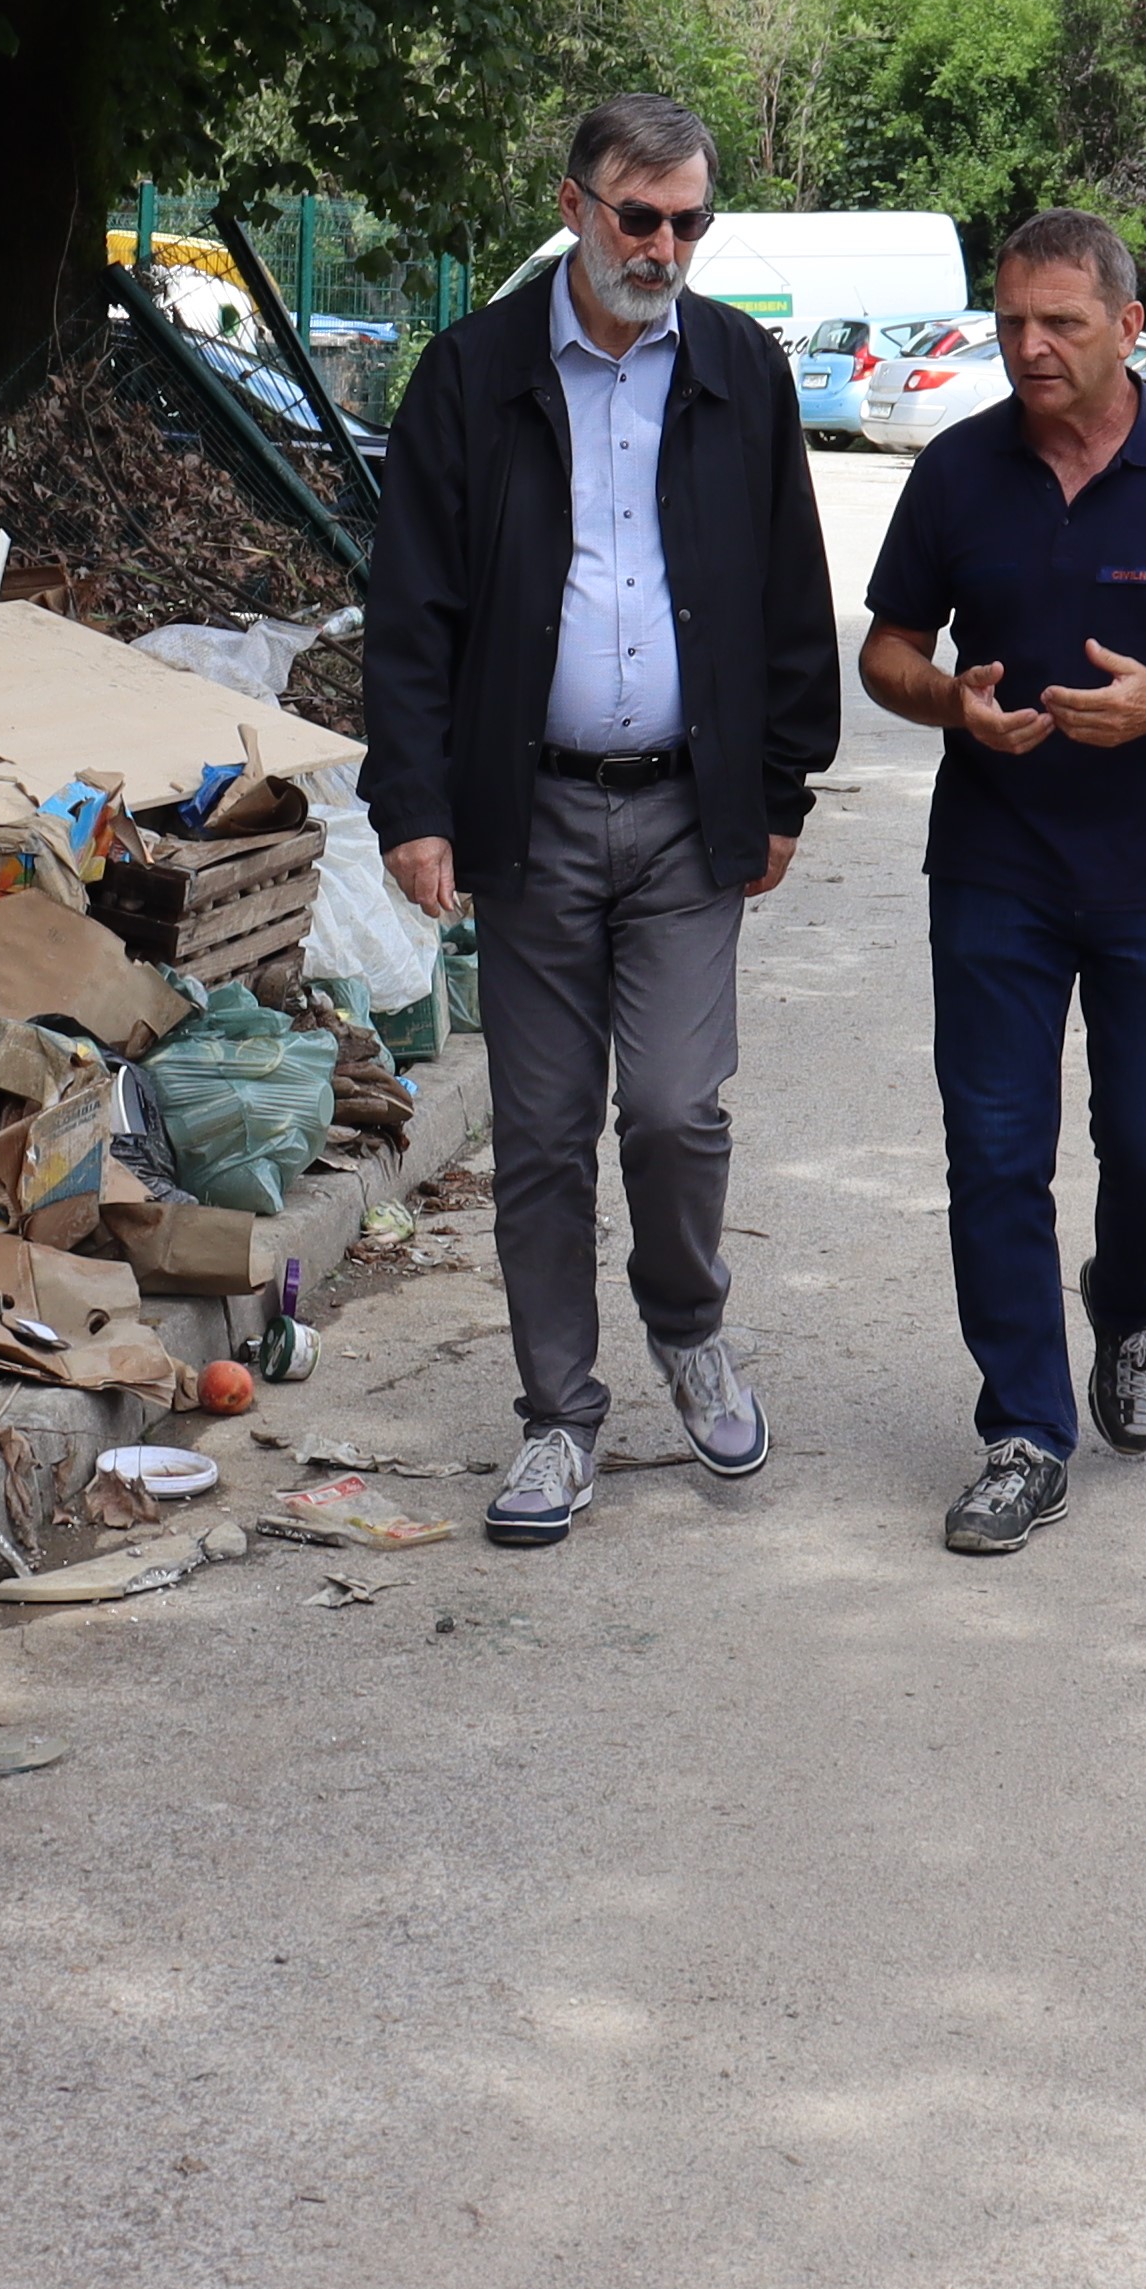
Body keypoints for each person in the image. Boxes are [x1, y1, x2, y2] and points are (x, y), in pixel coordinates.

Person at [362, 94, 837, 1552]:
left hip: (692, 814)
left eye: (691, 220)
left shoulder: (740, 372)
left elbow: (785, 591)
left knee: (681, 1111)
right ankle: (558, 1419)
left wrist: (786, 783)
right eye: (641, 217)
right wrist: (416, 803)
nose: (666, 246)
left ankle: (688, 1329)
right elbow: (416, 609)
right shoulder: (474, 374)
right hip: (534, 810)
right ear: (572, 206)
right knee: (546, 1133)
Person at [856, 210, 1146, 1557]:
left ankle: (1125, 1303)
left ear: (1127, 327)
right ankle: (1023, 1432)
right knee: (994, 1154)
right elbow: (887, 651)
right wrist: (951, 702)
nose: (1029, 347)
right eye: (1010, 322)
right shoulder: (956, 470)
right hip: (996, 864)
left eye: (1059, 323)